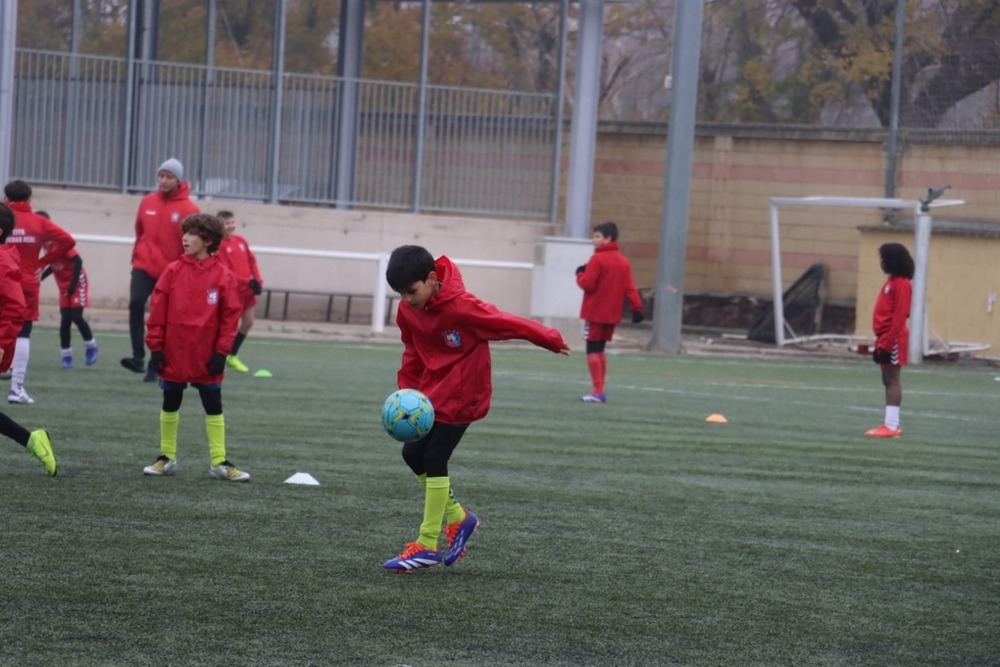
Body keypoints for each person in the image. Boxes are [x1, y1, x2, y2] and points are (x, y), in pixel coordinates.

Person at [382, 245, 570, 572]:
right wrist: (407, 389)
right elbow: (412, 348)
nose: (407, 299)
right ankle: (460, 518)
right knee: (411, 455)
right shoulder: (408, 310)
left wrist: (548, 338)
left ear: (431, 279)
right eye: (400, 293)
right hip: (431, 393)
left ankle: (427, 544)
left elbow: (505, 322)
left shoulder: (463, 308)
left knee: (434, 457)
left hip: (465, 393)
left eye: (411, 291)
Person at [141, 213, 249, 481]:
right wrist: (155, 348)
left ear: (208, 240)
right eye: (185, 233)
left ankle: (219, 462)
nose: (185, 238)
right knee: (170, 402)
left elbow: (230, 318)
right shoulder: (172, 271)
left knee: (213, 405)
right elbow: (156, 312)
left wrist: (222, 352)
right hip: (174, 353)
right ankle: (166, 458)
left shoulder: (223, 277)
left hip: (207, 356)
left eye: (192, 234)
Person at [120, 158, 199, 383]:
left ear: (178, 180)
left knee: (161, 318)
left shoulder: (189, 209)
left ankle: (155, 365)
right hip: (143, 265)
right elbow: (139, 232)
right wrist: (136, 256)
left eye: (169, 177)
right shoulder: (146, 202)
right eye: (161, 176)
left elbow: (194, 242)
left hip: (172, 271)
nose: (164, 181)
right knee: (135, 303)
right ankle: (137, 357)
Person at [2, 180, 77, 405]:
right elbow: (68, 241)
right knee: (23, 331)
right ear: (29, 200)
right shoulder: (38, 222)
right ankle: (16, 388)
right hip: (26, 282)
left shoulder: (4, 218)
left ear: (7, 199)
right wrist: (43, 262)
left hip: (2, 275)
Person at [0, 203, 57, 475]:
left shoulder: (2, 262)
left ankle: (33, 441)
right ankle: (34, 441)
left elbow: (15, 307)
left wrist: (0, 344)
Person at [575, 221, 644, 403]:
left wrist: (579, 274)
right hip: (612, 314)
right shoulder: (623, 261)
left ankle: (597, 390)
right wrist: (637, 308)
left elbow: (588, 284)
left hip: (595, 312)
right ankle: (599, 388)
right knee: (601, 349)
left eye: (597, 236)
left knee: (592, 349)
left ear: (608, 239)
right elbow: (630, 287)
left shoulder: (597, 259)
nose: (594, 240)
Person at [37, 211, 99, 369]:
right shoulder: (44, 243)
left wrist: (72, 286)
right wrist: (40, 277)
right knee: (65, 321)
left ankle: (91, 346)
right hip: (63, 285)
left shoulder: (59, 239)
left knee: (76, 317)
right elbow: (54, 262)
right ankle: (66, 356)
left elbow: (78, 262)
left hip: (77, 282)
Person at [866, 242, 914, 439]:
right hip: (884, 336)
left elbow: (900, 315)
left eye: (884, 259)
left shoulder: (901, 283)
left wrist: (888, 342)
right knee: (887, 379)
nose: (882, 263)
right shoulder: (891, 282)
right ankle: (889, 424)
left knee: (892, 379)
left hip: (892, 337)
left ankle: (891, 425)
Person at [215, 210, 263, 373]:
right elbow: (226, 271)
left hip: (247, 291)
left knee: (248, 322)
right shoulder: (218, 245)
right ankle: (218, 357)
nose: (230, 226)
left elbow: (252, 261)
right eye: (227, 223)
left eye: (232, 223)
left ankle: (232, 355)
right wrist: (247, 282)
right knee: (227, 327)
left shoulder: (241, 241)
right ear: (219, 225)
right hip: (233, 293)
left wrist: (257, 280)